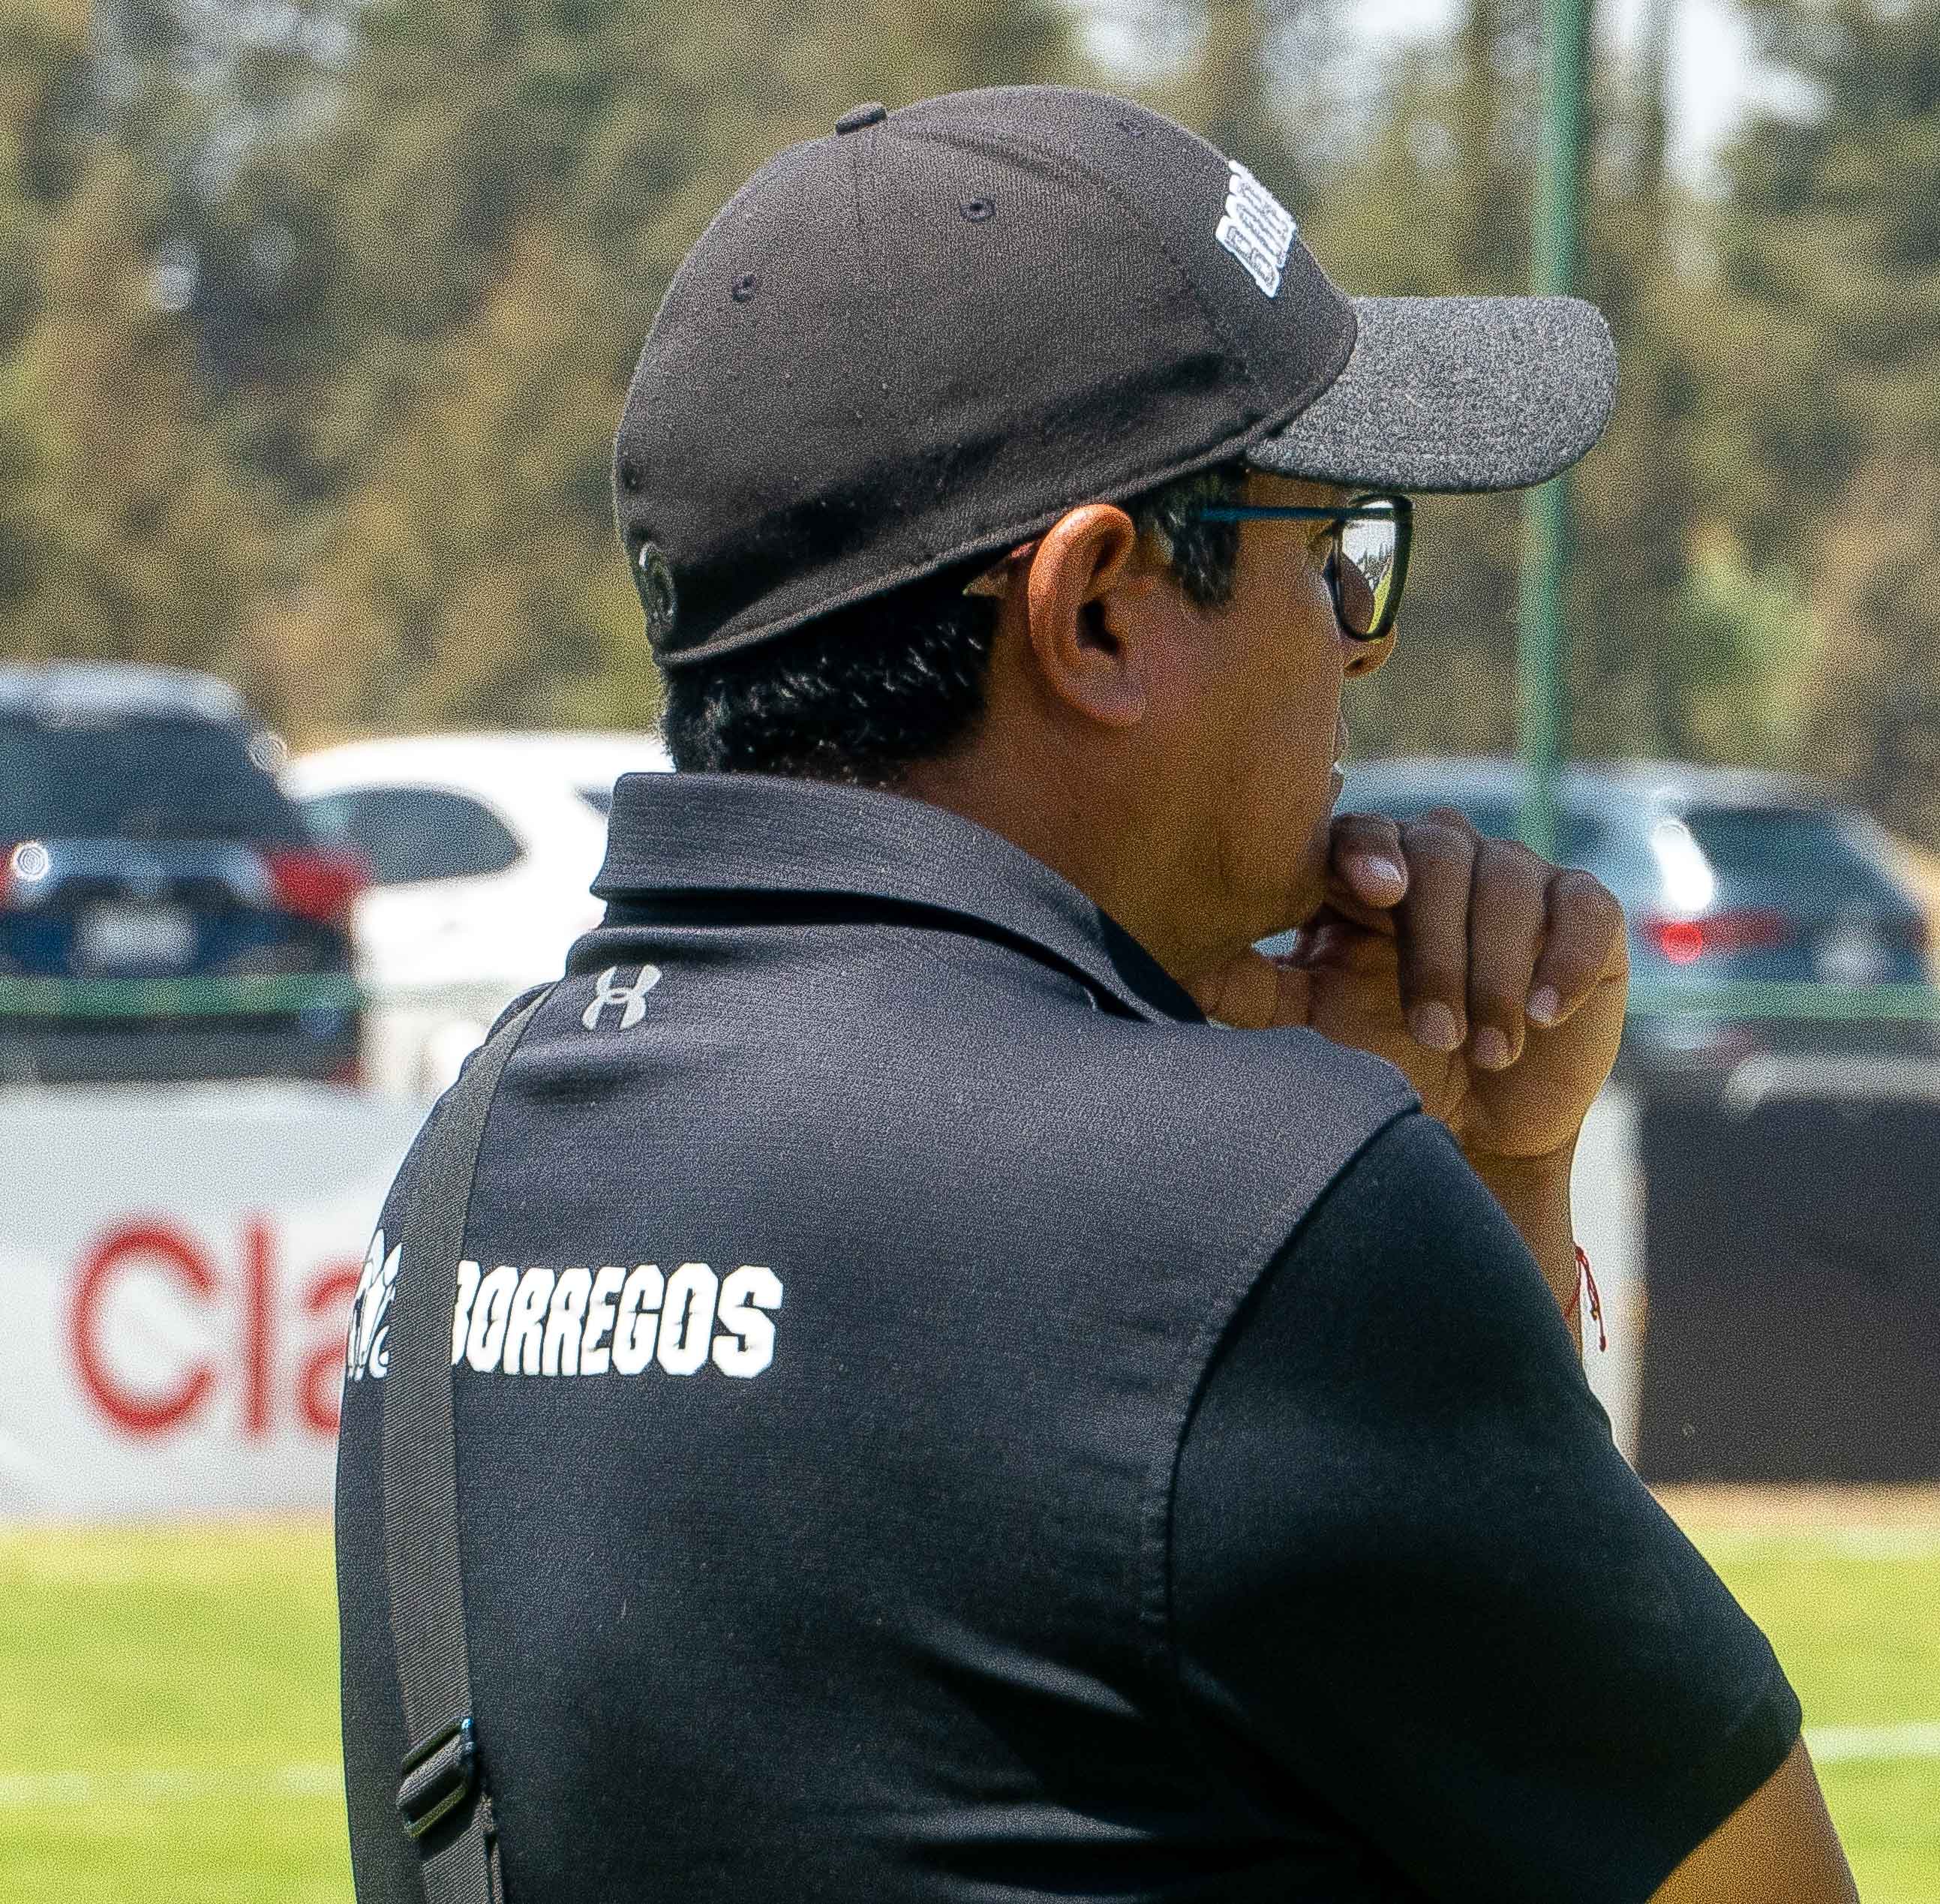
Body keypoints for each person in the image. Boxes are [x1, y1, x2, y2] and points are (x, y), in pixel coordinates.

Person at [334, 85, 1857, 1904]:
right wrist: (1474, 1180)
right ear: (1100, 613)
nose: (1358, 649)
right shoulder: (1249, 1215)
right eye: (1336, 555)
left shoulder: (472, 1163)